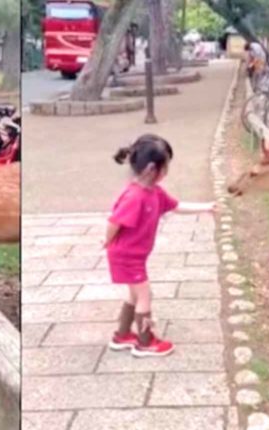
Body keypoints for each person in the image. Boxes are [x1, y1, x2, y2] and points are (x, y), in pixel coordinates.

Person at [105, 135, 215, 357]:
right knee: (145, 295)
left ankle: (122, 335)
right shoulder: (135, 196)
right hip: (126, 256)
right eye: (166, 166)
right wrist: (107, 241)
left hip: (134, 256)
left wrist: (206, 207)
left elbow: (176, 206)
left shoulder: (155, 192)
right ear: (152, 169)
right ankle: (145, 342)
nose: (167, 171)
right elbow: (114, 222)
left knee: (135, 295)